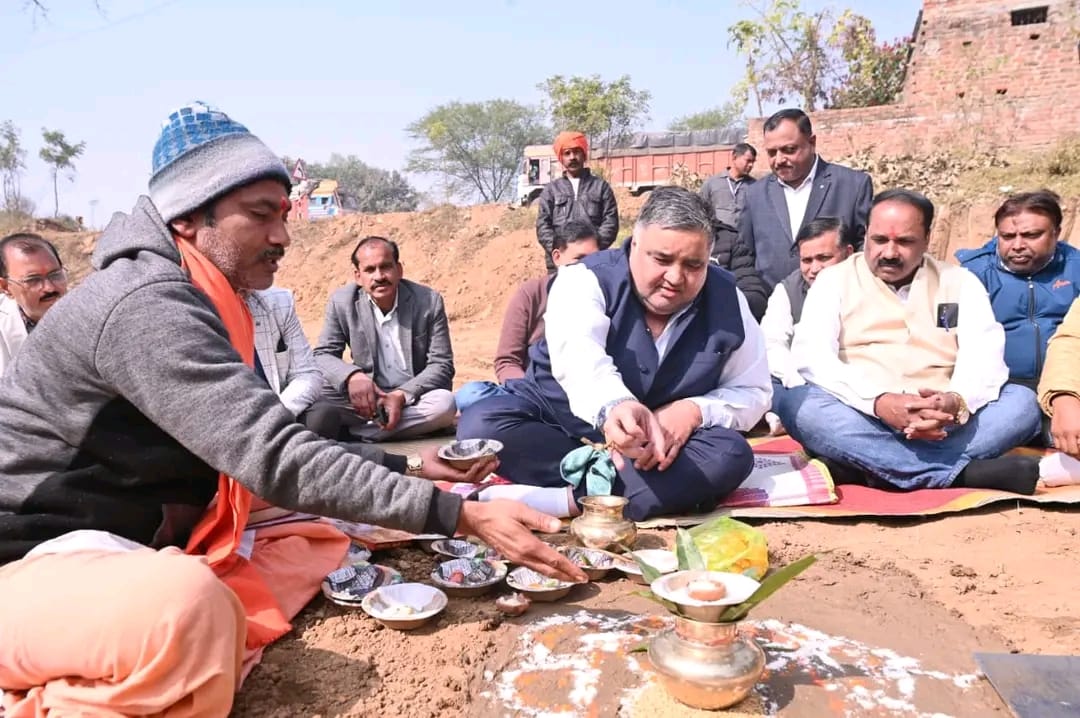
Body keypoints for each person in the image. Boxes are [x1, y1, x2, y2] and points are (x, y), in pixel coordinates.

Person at [0, 102, 585, 718]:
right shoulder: (147, 304)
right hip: (32, 557)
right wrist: (460, 516)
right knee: (189, 609)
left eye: (283, 214)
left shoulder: (208, 297)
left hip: (135, 532)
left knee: (319, 532)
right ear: (189, 217)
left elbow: (268, 444)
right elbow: (276, 457)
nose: (283, 236)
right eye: (261, 215)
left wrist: (415, 467)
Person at [459, 187, 770, 521]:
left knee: (730, 453)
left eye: (693, 265)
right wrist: (615, 406)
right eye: (662, 260)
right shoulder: (584, 279)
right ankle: (628, 493)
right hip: (561, 430)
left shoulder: (729, 300)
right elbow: (580, 357)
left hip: (653, 451)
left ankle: (564, 500)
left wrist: (692, 411)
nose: (675, 278)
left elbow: (754, 391)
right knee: (481, 426)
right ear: (634, 244)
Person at [777, 189, 1044, 493]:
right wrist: (879, 402)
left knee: (1021, 403)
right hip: (863, 416)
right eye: (879, 240)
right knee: (799, 405)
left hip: (944, 423)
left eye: (904, 242)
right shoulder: (833, 280)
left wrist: (955, 401)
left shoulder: (959, 281)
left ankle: (875, 468)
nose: (890, 253)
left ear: (927, 240)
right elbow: (814, 357)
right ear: (866, 235)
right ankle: (958, 474)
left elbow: (984, 357)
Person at [313, 236, 457, 442]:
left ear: (399, 270)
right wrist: (353, 377)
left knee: (444, 404)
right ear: (358, 276)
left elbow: (442, 365)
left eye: (386, 267)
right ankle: (395, 428)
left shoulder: (428, 301)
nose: (379, 276)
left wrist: (401, 395)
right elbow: (323, 355)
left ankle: (356, 434)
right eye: (370, 270)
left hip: (412, 397)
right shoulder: (342, 302)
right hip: (365, 397)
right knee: (315, 391)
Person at [455, 220, 601, 412]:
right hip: (532, 393)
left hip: (584, 394)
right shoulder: (532, 293)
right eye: (579, 259)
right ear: (557, 257)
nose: (587, 267)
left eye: (594, 259)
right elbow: (507, 361)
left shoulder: (606, 296)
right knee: (471, 395)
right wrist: (530, 393)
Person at [738, 108, 873, 307]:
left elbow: (866, 247)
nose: (779, 159)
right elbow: (744, 256)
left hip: (840, 308)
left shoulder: (852, 185)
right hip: (771, 310)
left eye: (789, 150)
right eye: (772, 153)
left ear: (812, 142)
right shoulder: (754, 194)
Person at [957, 190, 1080, 390]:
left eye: (1031, 235)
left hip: (1068, 384)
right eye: (1007, 236)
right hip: (998, 388)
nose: (1017, 245)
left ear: (1056, 233)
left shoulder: (1075, 267)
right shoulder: (973, 274)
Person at [759, 217, 854, 434]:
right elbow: (772, 344)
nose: (814, 269)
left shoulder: (869, 285)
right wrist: (799, 384)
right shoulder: (787, 290)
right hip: (804, 383)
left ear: (848, 253)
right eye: (806, 260)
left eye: (824, 258)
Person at [536, 131, 618, 273]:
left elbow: (610, 223)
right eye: (567, 153)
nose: (572, 157)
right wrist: (563, 252)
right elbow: (543, 227)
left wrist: (591, 251)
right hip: (560, 266)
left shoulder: (601, 187)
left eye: (576, 152)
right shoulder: (551, 190)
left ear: (584, 154)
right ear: (561, 158)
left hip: (594, 264)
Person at [0, 232, 68, 375]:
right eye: (33, 280)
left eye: (55, 275)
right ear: (6, 287)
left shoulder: (93, 314)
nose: (49, 288)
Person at [699, 142, 757, 232]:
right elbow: (700, 209)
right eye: (748, 161)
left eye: (753, 162)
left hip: (744, 236)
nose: (751, 165)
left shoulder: (754, 185)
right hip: (719, 235)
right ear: (734, 158)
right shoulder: (712, 183)